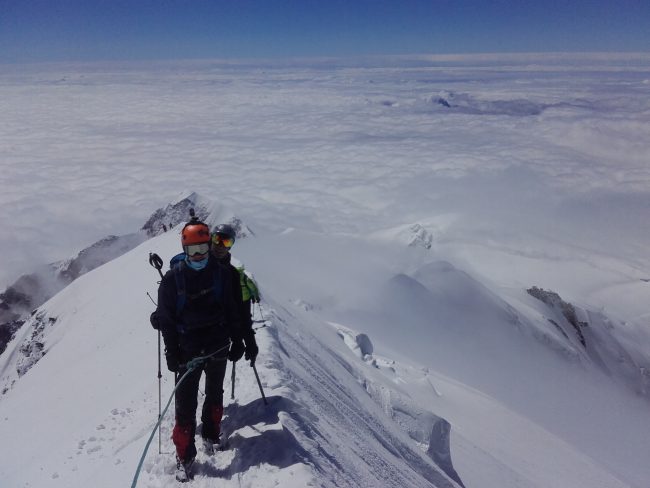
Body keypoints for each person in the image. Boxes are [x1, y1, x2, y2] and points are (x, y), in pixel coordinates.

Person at [152, 215, 256, 482]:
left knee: (214, 393)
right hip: (188, 351)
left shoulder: (224, 275)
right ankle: (184, 455)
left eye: (202, 250)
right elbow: (167, 319)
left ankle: (210, 433)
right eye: (193, 250)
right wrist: (171, 352)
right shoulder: (172, 280)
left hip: (218, 344)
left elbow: (233, 311)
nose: (198, 255)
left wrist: (239, 339)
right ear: (185, 250)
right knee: (184, 406)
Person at [211, 224, 259, 364]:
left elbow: (241, 311)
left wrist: (248, 342)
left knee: (214, 387)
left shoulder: (232, 275)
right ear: (211, 240)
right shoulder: (194, 267)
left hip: (220, 341)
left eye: (226, 242)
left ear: (231, 246)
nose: (220, 245)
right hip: (192, 342)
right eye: (217, 239)